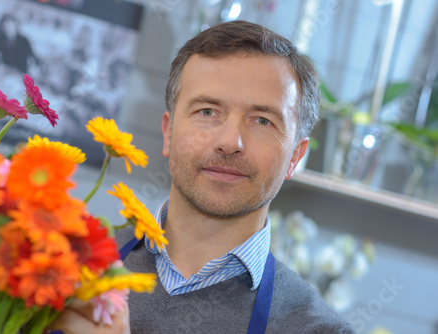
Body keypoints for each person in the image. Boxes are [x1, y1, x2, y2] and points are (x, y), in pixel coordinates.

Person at [48, 20, 355, 333]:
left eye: (262, 121)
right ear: (168, 132)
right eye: (208, 111)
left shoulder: (318, 329)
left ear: (295, 157)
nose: (229, 142)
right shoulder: (62, 268)